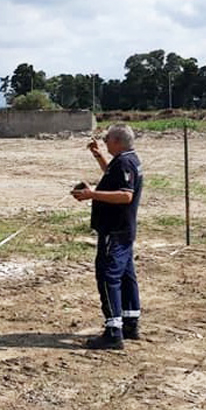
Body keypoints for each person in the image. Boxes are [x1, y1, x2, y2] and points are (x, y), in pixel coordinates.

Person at [71, 123, 143, 350]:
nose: (105, 141)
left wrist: (92, 194)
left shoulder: (125, 162)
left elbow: (125, 195)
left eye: (107, 139)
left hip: (115, 231)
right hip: (123, 230)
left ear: (118, 142)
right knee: (125, 275)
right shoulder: (126, 160)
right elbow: (114, 177)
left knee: (107, 276)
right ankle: (130, 322)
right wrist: (98, 156)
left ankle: (114, 331)